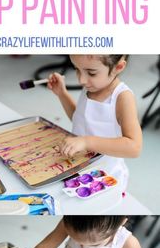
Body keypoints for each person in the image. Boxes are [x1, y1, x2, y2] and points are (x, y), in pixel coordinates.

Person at [47, 55, 142, 190]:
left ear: (118, 67)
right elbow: (80, 119)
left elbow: (134, 148)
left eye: (91, 73)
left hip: (106, 178)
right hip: (79, 170)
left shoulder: (122, 97)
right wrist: (62, 94)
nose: (81, 80)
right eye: (77, 69)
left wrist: (86, 142)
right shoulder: (91, 86)